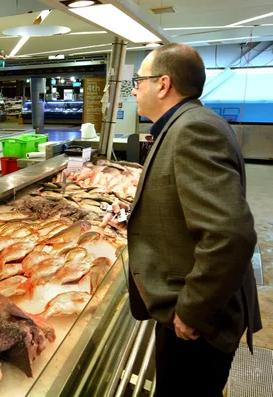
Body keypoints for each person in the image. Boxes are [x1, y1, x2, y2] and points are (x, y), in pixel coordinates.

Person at [104, 43, 261, 397]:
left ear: (162, 84)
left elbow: (230, 234)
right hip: (191, 307)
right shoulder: (182, 124)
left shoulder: (193, 130)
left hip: (199, 320)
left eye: (138, 81)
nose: (134, 90)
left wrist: (191, 311)